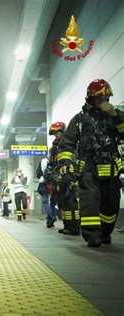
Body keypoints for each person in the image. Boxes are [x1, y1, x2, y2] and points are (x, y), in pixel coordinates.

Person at [58, 79, 123, 247]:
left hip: (110, 166)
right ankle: (92, 235)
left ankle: (105, 232)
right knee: (89, 202)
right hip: (88, 166)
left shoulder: (114, 117)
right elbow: (67, 143)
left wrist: (116, 116)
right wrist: (65, 161)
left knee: (110, 203)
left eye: (106, 98)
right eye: (100, 98)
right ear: (90, 98)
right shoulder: (79, 119)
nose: (104, 101)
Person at [49, 122, 80, 235]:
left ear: (62, 131)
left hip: (69, 176)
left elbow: (74, 159)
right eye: (53, 133)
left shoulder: (70, 144)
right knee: (63, 202)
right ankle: (67, 225)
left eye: (56, 132)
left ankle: (74, 227)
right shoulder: (55, 146)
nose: (55, 135)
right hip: (60, 177)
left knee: (71, 202)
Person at [37, 156, 56, 228]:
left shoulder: (43, 161)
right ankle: (50, 222)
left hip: (45, 184)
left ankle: (51, 216)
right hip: (54, 183)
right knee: (52, 202)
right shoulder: (55, 161)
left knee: (45, 202)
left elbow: (38, 173)